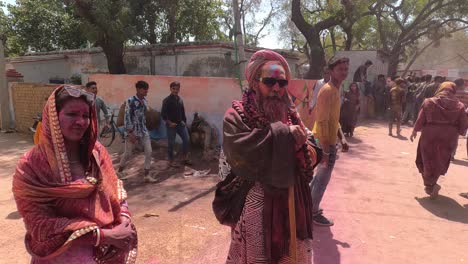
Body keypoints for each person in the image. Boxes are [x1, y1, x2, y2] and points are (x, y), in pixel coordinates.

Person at [12, 85, 138, 263]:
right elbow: (39, 224)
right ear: (54, 117)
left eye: (85, 116)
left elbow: (116, 188)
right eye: (72, 114)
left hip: (107, 251)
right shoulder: (30, 166)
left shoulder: (97, 153)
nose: (80, 122)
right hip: (63, 254)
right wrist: (102, 236)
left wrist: (124, 219)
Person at [218, 50, 319, 263]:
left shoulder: (291, 113)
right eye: (269, 81)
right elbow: (241, 152)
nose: (276, 88)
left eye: (282, 83)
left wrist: (305, 147)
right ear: (255, 82)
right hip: (256, 202)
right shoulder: (237, 115)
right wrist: (284, 135)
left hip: (294, 201)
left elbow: (311, 146)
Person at [410, 82, 468, 199]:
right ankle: (433, 184)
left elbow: (421, 118)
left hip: (430, 133)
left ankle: (429, 185)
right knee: (440, 159)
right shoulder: (460, 106)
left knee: (425, 158)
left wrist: (415, 131)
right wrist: (460, 132)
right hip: (449, 136)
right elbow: (463, 125)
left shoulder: (429, 102)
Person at [311, 56, 349, 226]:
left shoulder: (336, 90)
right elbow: (322, 122)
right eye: (340, 69)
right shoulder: (327, 91)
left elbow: (334, 119)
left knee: (318, 177)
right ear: (331, 71)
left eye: (346, 69)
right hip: (324, 141)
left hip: (329, 140)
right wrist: (326, 151)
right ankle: (312, 212)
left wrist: (343, 137)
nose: (344, 72)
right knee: (322, 180)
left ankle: (308, 208)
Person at [117, 81, 156, 183]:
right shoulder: (130, 101)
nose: (147, 91)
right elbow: (127, 118)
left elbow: (143, 116)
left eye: (147, 89)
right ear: (138, 89)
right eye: (145, 89)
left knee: (149, 151)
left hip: (143, 131)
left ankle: (147, 175)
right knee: (128, 153)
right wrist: (130, 133)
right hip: (132, 131)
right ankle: (119, 171)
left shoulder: (145, 101)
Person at [161, 81, 191, 167]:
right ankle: (171, 160)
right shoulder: (166, 100)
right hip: (171, 126)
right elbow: (163, 114)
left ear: (179, 89)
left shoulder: (180, 100)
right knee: (171, 143)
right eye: (174, 89)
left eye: (177, 89)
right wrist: (170, 123)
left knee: (186, 140)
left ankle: (184, 158)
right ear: (170, 89)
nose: (175, 90)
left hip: (180, 124)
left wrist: (184, 122)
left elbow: (183, 112)